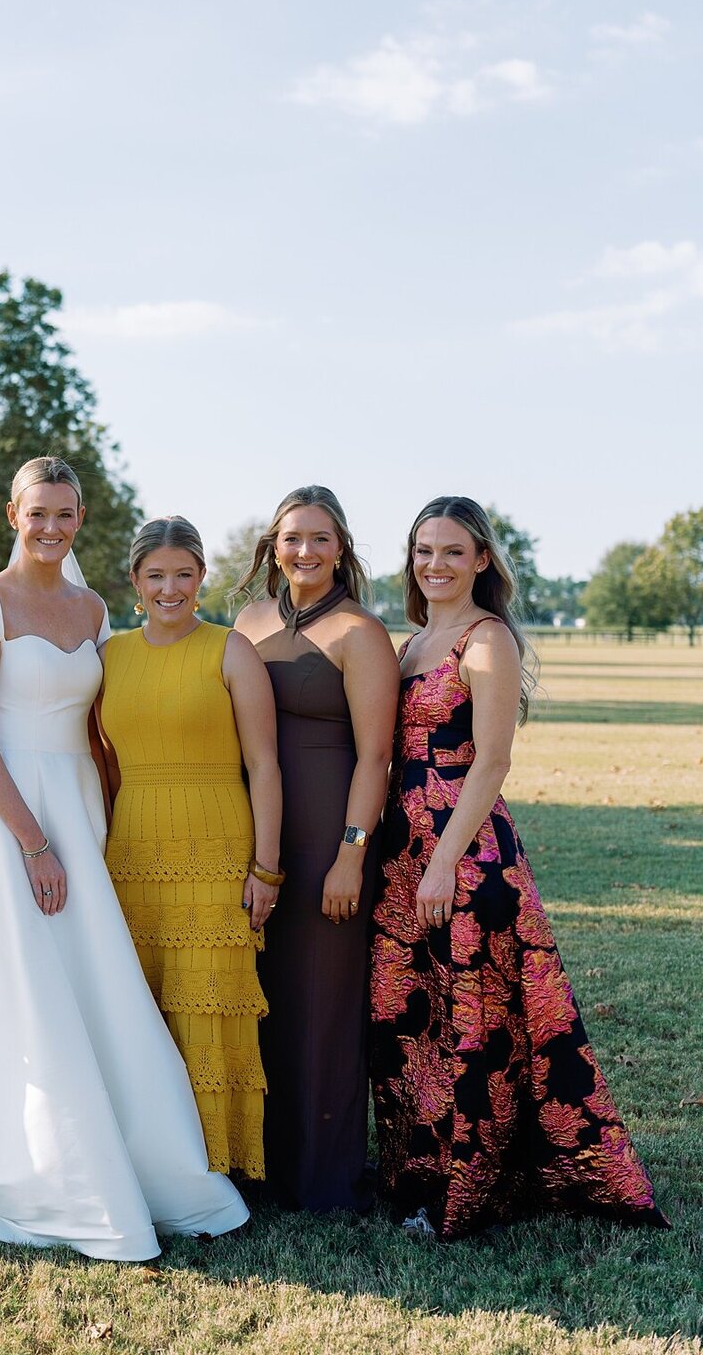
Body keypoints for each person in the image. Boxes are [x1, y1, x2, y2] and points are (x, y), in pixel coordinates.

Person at [0, 458, 249, 1259]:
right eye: (37, 513)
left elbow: (101, 729)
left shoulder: (92, 608)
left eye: (65, 515)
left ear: (80, 519)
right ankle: (30, 1165)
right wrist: (35, 843)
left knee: (94, 976)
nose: (50, 529)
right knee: (18, 985)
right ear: (12, 513)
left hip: (81, 809)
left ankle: (138, 1152)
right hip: (9, 817)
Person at [369, 495, 666, 1238]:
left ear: (481, 561)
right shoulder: (410, 644)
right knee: (410, 1019)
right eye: (423, 551)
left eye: (451, 551)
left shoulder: (485, 639)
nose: (435, 564)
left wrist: (441, 865)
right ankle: (416, 1174)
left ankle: (470, 1193)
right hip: (400, 854)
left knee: (472, 1022)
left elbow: (492, 760)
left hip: (462, 856)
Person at [99, 516, 281, 1180]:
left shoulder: (230, 650)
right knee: (141, 1007)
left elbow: (264, 765)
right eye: (156, 575)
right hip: (132, 851)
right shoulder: (111, 655)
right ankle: (153, 1167)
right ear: (136, 582)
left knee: (208, 1010)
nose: (169, 587)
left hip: (218, 851)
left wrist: (266, 868)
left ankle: (216, 1169)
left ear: (202, 577)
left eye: (183, 574)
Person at [234, 486, 398, 1212]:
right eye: (293, 537)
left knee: (323, 1003)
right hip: (256, 833)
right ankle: (256, 1166)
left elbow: (377, 758)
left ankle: (324, 1179)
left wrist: (351, 854)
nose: (305, 550)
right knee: (261, 997)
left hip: (332, 836)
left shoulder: (360, 633)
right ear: (274, 546)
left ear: (342, 550)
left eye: (320, 538)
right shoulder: (246, 621)